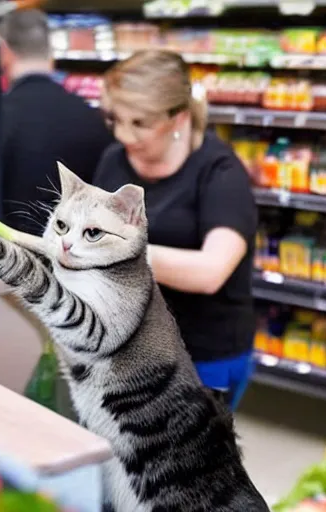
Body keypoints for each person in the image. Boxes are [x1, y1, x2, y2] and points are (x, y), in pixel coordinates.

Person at [93, 50, 258, 410]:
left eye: (140, 123)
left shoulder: (221, 174)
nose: (124, 135)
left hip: (203, 353)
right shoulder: (113, 161)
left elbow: (211, 272)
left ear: (178, 118)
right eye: (116, 120)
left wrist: (119, 248)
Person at [0, 8, 113, 235]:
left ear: (4, 52)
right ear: (50, 52)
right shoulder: (91, 116)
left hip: (7, 254)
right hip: (77, 254)